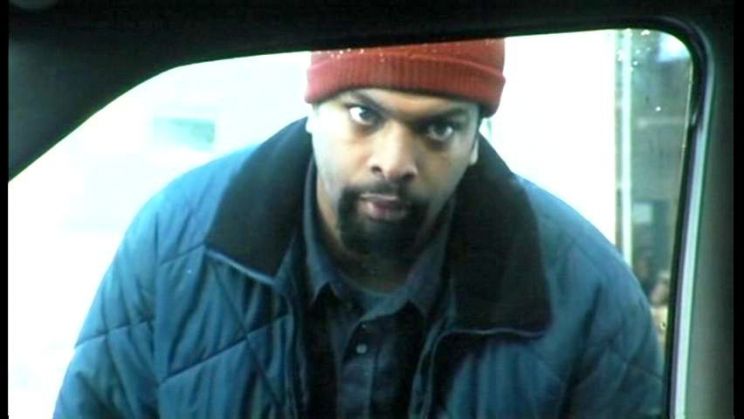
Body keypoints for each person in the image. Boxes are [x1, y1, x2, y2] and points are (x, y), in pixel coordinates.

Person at [54, 39, 663, 418]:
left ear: (476, 141)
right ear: (313, 112)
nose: (393, 162)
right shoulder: (176, 245)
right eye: (364, 114)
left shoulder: (589, 297)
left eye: (439, 129)